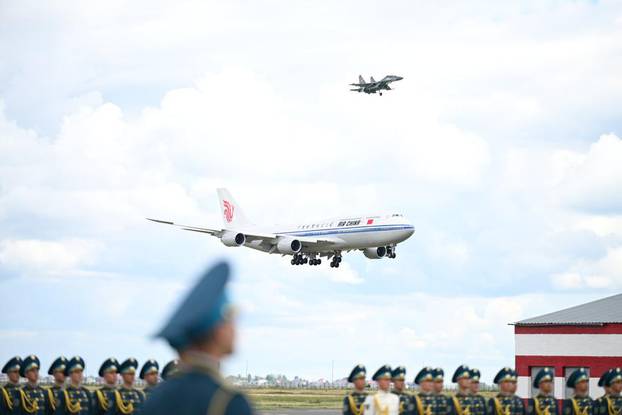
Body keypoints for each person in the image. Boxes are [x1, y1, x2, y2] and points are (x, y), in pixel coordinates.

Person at [140, 261, 254, 415]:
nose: (235, 328)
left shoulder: (157, 397)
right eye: (231, 319)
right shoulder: (229, 402)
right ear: (217, 331)